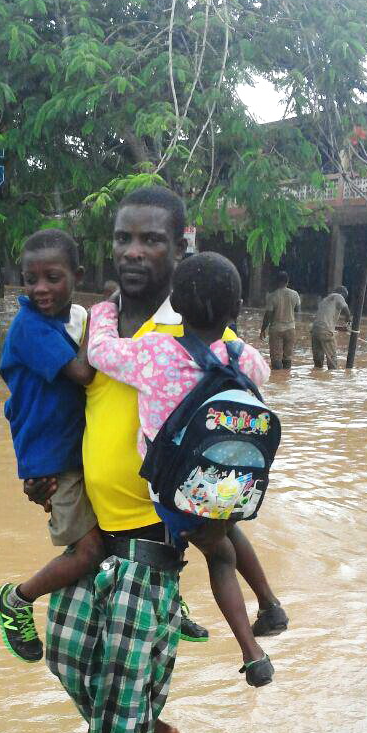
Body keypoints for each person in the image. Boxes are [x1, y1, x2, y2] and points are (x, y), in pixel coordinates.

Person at [32, 187, 287, 733]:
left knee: (122, 677)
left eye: (151, 240)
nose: (135, 252)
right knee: (64, 651)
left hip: (155, 536)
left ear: (182, 247)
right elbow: (65, 398)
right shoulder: (97, 323)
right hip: (94, 529)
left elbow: (237, 421)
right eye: (124, 239)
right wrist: (44, 471)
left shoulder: (201, 332)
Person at [87, 252, 276, 686]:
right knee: (226, 531)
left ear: (176, 305)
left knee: (221, 556)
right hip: (231, 484)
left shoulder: (155, 352)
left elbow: (98, 353)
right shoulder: (241, 355)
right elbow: (262, 373)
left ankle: (252, 653)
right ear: (237, 310)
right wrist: (231, 339)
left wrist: (106, 308)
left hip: (176, 493)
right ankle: (270, 603)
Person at [0, 230, 103, 661]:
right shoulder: (31, 327)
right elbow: (84, 375)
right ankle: (17, 599)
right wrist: (103, 321)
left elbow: (17, 400)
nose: (40, 289)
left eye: (52, 278)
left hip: (65, 452)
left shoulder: (60, 321)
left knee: (102, 543)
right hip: (53, 461)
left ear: (76, 275)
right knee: (89, 550)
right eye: (30, 279)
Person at [260, 271, 300, 370]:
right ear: (288, 281)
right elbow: (297, 309)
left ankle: (277, 380)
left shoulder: (272, 296)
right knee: (288, 356)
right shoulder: (295, 294)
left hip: (276, 329)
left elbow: (268, 315)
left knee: (276, 358)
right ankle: (285, 380)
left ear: (277, 281)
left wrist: (263, 330)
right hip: (290, 328)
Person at [310, 285, 351, 370]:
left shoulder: (324, 300)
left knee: (318, 361)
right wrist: (348, 320)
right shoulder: (338, 296)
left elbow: (324, 324)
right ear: (342, 294)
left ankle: (317, 377)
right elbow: (346, 309)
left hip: (315, 330)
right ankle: (332, 380)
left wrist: (342, 328)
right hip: (325, 331)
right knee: (332, 359)